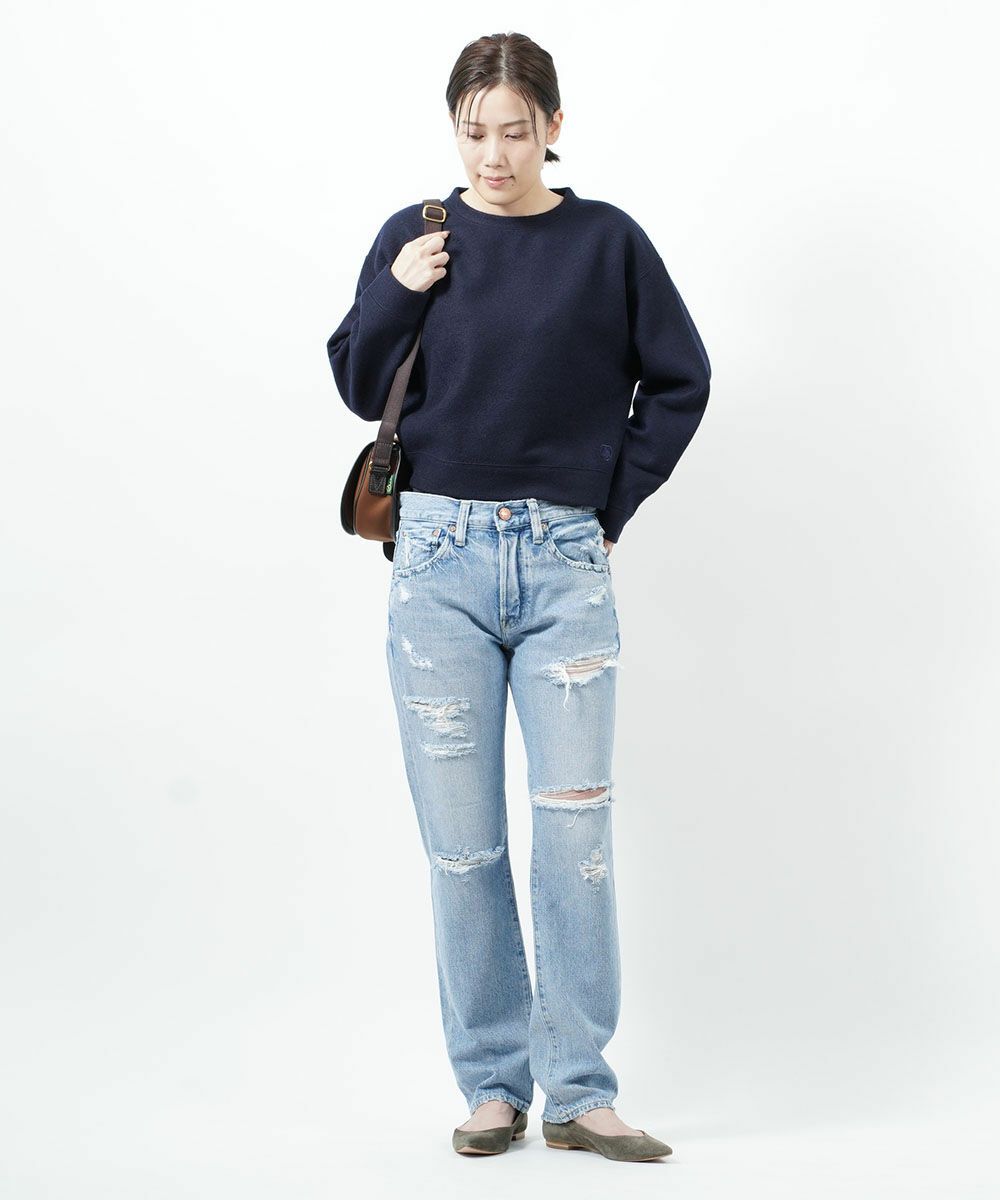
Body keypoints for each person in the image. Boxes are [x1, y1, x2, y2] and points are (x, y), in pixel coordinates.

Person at [327, 32, 710, 1162]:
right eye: (472, 132)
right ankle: (492, 1085)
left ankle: (580, 1091)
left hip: (562, 565)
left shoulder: (607, 242)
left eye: (513, 131)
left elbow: (680, 380)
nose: (492, 156)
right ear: (454, 130)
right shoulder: (416, 237)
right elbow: (356, 382)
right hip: (436, 561)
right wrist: (396, 293)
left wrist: (608, 504)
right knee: (463, 847)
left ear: (553, 126)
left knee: (575, 835)